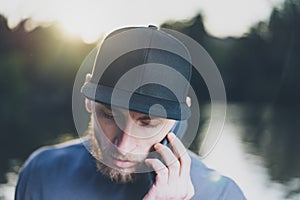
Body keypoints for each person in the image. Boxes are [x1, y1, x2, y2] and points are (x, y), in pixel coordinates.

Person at [15, 26, 246, 200]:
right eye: (109, 116)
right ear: (88, 99)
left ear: (177, 116)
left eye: (147, 123)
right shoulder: (42, 174)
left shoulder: (222, 195)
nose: (122, 145)